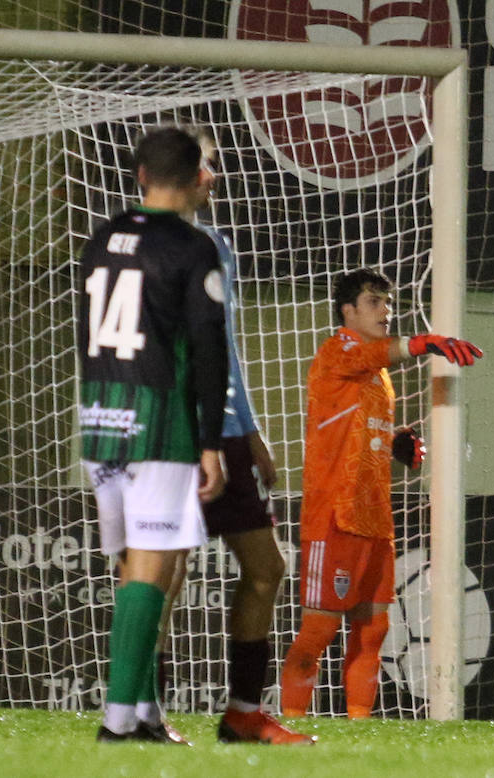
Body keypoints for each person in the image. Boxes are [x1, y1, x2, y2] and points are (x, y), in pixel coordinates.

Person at [78, 126, 229, 743]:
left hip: (99, 420)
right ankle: (116, 722)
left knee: (133, 569)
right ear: (195, 178)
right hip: (159, 423)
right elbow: (209, 346)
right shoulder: (193, 249)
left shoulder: (99, 239)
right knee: (151, 571)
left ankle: (142, 713)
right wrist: (211, 440)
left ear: (140, 175)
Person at [279, 268, 481, 719]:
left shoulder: (378, 374)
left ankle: (357, 734)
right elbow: (378, 355)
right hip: (334, 517)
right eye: (374, 301)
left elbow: (352, 426)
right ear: (347, 310)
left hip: (375, 520)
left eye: (387, 303)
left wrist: (394, 442)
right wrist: (425, 343)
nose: (385, 311)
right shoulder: (337, 353)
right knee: (318, 632)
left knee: (373, 633)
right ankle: (288, 730)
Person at [187, 158, 314, 744]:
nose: (213, 175)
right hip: (175, 430)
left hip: (229, 430)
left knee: (266, 569)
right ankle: (143, 713)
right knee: (164, 571)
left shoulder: (218, 244)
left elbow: (225, 342)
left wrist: (251, 429)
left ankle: (242, 713)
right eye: (203, 165)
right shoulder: (146, 245)